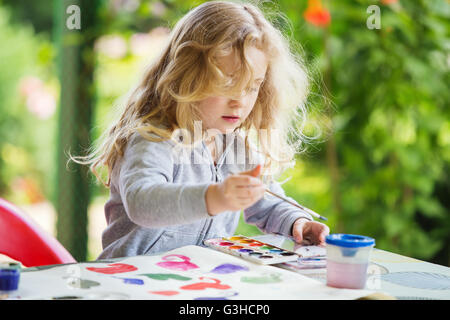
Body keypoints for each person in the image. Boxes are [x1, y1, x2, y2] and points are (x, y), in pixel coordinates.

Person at [71, 1, 329, 259]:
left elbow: (264, 199)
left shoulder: (236, 148)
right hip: (132, 282)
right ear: (186, 76)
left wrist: (298, 223)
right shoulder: (153, 137)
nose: (239, 100)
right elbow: (142, 201)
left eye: (252, 87)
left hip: (197, 283)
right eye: (226, 82)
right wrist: (214, 197)